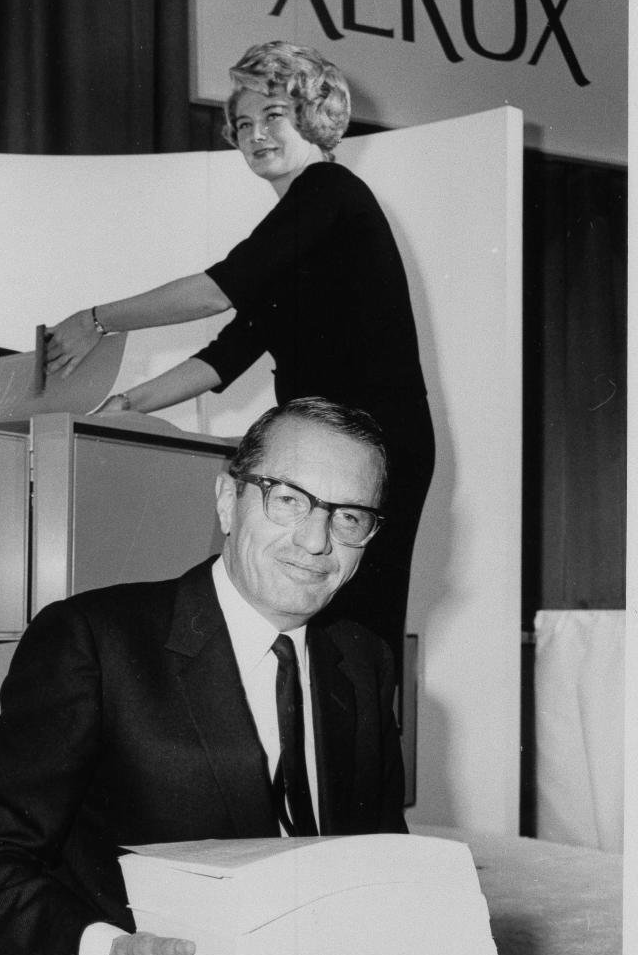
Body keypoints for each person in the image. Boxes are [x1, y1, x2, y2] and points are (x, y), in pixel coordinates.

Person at [0, 396, 526, 955]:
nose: (316, 541)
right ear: (228, 498)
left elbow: (376, 856)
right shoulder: (94, 640)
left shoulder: (362, 661)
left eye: (349, 516)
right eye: (289, 499)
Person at [43, 40, 434, 666]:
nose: (255, 135)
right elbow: (227, 354)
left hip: (372, 444)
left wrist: (95, 320)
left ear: (314, 115)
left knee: (356, 636)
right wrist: (122, 405)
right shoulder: (296, 223)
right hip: (330, 444)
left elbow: (216, 290)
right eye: (244, 124)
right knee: (321, 632)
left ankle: (359, 761)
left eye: (274, 114)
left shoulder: (329, 191)